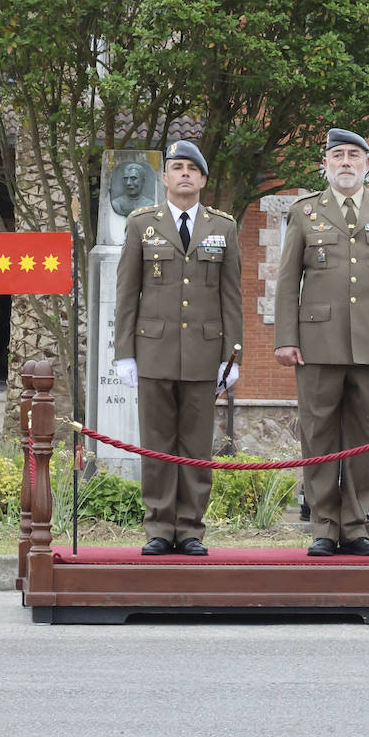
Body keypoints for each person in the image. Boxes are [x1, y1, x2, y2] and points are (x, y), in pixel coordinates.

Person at [275, 128, 369, 557]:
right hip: (317, 342)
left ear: (367, 164)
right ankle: (323, 525)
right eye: (337, 155)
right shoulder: (304, 211)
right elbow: (287, 281)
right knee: (318, 436)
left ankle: (355, 527)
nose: (346, 163)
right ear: (326, 164)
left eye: (354, 155)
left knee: (363, 438)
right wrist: (286, 338)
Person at [114, 140, 243, 557]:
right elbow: (126, 292)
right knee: (156, 443)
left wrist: (232, 355)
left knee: (195, 446)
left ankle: (189, 529)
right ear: (165, 177)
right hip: (154, 350)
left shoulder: (223, 227)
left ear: (203, 179)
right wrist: (124, 352)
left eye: (192, 168)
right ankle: (158, 526)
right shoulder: (141, 224)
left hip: (205, 354)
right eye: (177, 167)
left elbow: (231, 295)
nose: (184, 173)